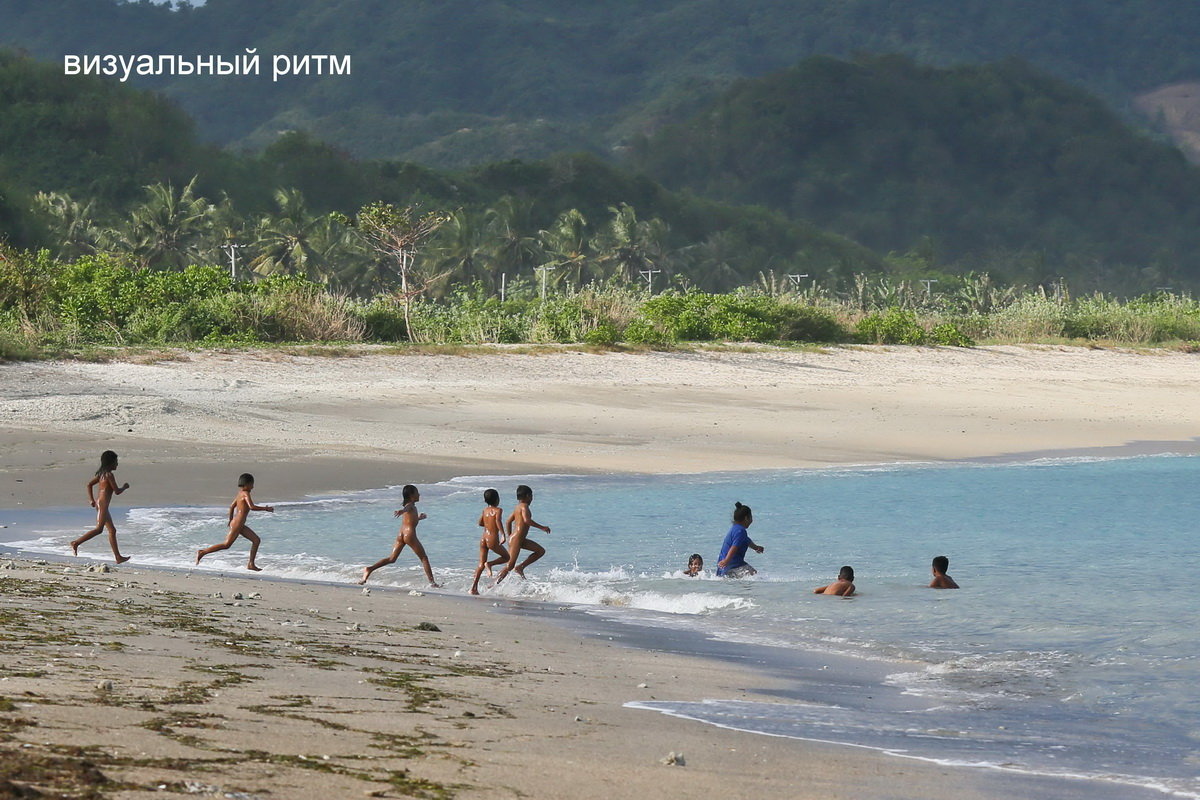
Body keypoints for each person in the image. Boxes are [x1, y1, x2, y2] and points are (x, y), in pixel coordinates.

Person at [359, 484, 439, 587]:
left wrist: (419, 518)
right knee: (424, 558)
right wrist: (402, 511)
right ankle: (432, 583)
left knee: (392, 559)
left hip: (401, 534)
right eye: (417, 493)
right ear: (411, 495)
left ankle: (369, 569)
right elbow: (407, 508)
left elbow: (409, 520)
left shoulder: (412, 507)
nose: (419, 494)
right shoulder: (410, 505)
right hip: (409, 535)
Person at [196, 473, 273, 571]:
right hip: (238, 523)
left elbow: (232, 506)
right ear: (247, 484)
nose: (253, 487)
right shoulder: (245, 494)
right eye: (252, 484)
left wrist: (230, 520)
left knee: (256, 540)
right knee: (226, 545)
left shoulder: (239, 493)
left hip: (238, 523)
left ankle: (251, 564)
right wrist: (266, 509)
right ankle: (202, 552)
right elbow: (252, 507)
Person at [71, 450, 131, 563]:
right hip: (102, 505)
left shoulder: (101, 474)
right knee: (99, 529)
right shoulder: (109, 475)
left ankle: (118, 557)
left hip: (102, 505)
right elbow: (117, 491)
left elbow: (89, 485)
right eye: (116, 462)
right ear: (110, 463)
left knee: (112, 530)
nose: (117, 464)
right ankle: (76, 543)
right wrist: (124, 487)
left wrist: (91, 500)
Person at [495, 484, 550, 584]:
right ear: (528, 496)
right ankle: (493, 584)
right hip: (517, 539)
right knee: (510, 565)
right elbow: (527, 520)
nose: (532, 499)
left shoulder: (517, 507)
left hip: (519, 539)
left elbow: (508, 521)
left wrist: (510, 536)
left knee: (540, 551)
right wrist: (542, 527)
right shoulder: (524, 507)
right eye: (532, 496)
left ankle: (521, 567)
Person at [469, 488, 510, 595]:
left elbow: (480, 523)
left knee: (480, 563)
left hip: (483, 538)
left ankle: (473, 588)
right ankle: (490, 564)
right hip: (492, 538)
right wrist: (502, 534)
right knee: (507, 557)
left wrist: (488, 523)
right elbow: (498, 521)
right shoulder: (498, 510)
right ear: (497, 499)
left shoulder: (484, 510)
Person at [716, 502, 763, 578]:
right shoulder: (740, 531)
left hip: (725, 566)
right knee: (754, 576)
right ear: (746, 518)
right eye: (751, 517)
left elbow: (747, 541)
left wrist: (756, 547)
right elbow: (734, 547)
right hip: (732, 565)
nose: (752, 520)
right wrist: (726, 561)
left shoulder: (736, 529)